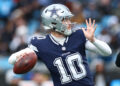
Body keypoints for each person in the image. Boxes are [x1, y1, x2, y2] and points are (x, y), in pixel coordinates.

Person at [8, 4, 112, 86]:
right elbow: (11, 60)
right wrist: (20, 57)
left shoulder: (78, 35)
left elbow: (107, 52)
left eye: (68, 19)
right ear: (53, 23)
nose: (69, 22)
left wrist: (93, 40)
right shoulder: (41, 43)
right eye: (65, 19)